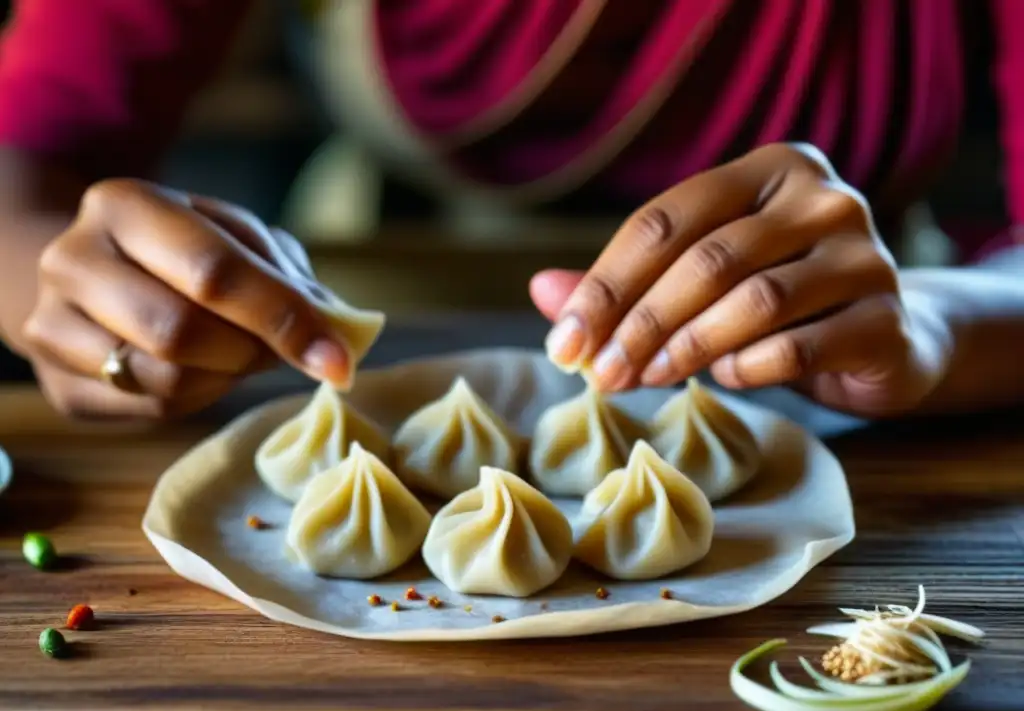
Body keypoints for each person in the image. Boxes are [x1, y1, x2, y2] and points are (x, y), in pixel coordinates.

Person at [0, 0, 1022, 423]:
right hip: (366, 362)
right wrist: (90, 299)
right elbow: (25, 159)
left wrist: (937, 322)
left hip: (850, 376)